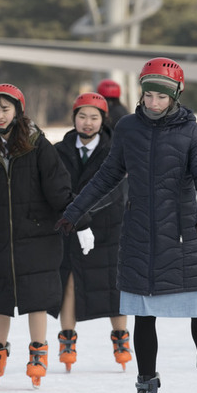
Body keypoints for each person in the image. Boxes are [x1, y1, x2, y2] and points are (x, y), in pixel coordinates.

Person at [59, 58, 197, 393]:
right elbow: (108, 175)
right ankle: (146, 387)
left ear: (175, 96)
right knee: (144, 312)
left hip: (182, 233)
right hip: (140, 232)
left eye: (161, 96)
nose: (153, 103)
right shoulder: (127, 128)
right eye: (149, 95)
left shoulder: (192, 133)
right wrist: (75, 210)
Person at [0, 83, 72, 389]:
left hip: (37, 234)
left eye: (5, 109)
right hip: (2, 237)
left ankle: (38, 353)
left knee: (35, 297)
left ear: (18, 111)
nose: (0, 115)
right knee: (0, 298)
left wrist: (74, 216)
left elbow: (57, 186)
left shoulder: (38, 145)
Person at [53, 92, 131, 372]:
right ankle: (67, 338)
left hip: (107, 226)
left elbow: (117, 190)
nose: (87, 123)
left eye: (94, 117)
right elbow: (55, 187)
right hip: (72, 225)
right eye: (82, 116)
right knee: (70, 281)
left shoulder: (115, 149)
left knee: (112, 282)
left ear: (103, 120)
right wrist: (75, 214)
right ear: (74, 118)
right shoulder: (59, 150)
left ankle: (121, 338)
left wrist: (86, 211)